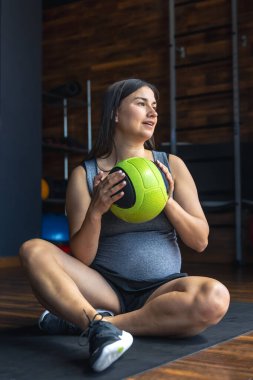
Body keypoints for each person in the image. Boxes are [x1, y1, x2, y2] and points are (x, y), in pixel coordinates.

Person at [19, 78, 230, 372]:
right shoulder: (86, 175)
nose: (153, 113)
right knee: (33, 249)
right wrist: (97, 210)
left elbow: (200, 241)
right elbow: (82, 258)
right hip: (106, 289)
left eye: (154, 106)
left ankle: (94, 324)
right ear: (115, 113)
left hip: (163, 288)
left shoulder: (172, 165)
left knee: (215, 297)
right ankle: (96, 319)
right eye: (141, 103)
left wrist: (166, 200)